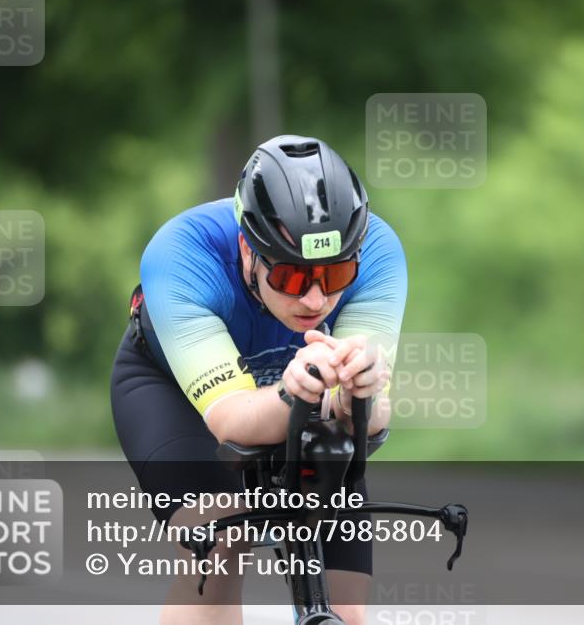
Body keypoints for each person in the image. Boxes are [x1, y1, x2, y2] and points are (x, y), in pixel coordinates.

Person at [110, 134, 407, 625]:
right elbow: (234, 423)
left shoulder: (377, 250)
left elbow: (367, 422)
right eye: (291, 279)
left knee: (347, 608)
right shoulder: (182, 254)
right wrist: (294, 391)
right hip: (175, 395)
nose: (315, 301)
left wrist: (363, 392)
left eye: (334, 277)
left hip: (297, 389)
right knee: (220, 549)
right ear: (248, 250)